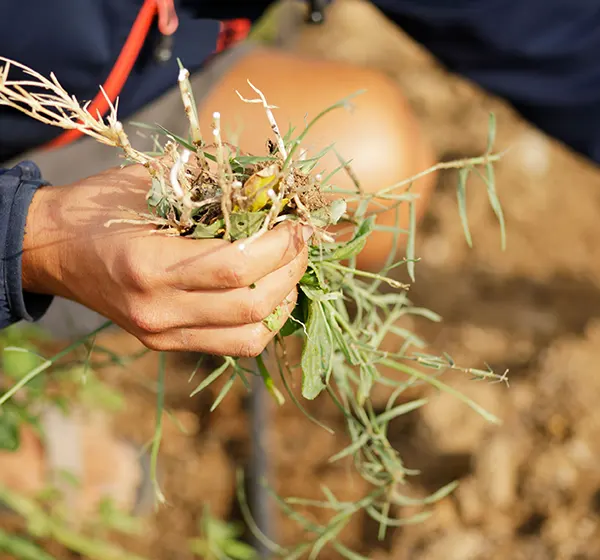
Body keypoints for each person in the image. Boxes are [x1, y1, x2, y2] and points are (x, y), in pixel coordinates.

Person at [1, 0, 599, 518]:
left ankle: (99, 328)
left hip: (126, 98)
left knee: (366, 155)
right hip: (28, 169)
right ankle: (14, 439)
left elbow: (542, 30)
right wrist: (33, 240)